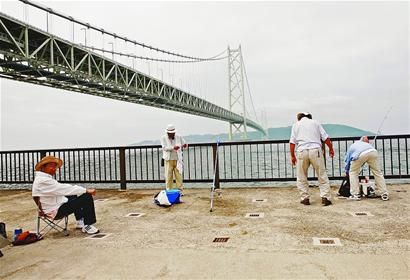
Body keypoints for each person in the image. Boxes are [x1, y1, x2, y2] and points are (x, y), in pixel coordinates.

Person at [32, 155, 99, 234]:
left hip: (50, 208)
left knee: (73, 194)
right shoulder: (43, 180)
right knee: (86, 197)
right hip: (55, 212)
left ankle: (80, 221)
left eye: (55, 167)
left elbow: (36, 196)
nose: (54, 169)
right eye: (51, 166)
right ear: (43, 167)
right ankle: (88, 225)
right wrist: (86, 190)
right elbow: (63, 188)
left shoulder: (41, 178)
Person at [289, 112, 335, 206]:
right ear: (310, 117)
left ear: (299, 118)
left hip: (302, 151)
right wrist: (331, 149)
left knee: (301, 176)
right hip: (315, 150)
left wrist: (293, 156)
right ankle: (325, 197)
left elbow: (292, 142)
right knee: (321, 174)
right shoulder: (315, 123)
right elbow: (325, 138)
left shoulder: (296, 125)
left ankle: (305, 198)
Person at [344, 136, 389, 201]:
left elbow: (348, 159)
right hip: (373, 151)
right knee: (377, 172)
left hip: (360, 154)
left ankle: (355, 194)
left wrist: (347, 170)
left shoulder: (354, 145)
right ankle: (384, 193)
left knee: (353, 172)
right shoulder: (368, 145)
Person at [160, 124, 188, 193]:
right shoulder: (163, 138)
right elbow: (164, 148)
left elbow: (184, 143)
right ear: (167, 133)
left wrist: (185, 145)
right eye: (171, 133)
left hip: (177, 159)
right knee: (168, 176)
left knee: (179, 176)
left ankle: (180, 191)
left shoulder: (179, 137)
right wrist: (173, 148)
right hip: (168, 159)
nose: (172, 134)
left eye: (173, 133)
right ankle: (169, 191)